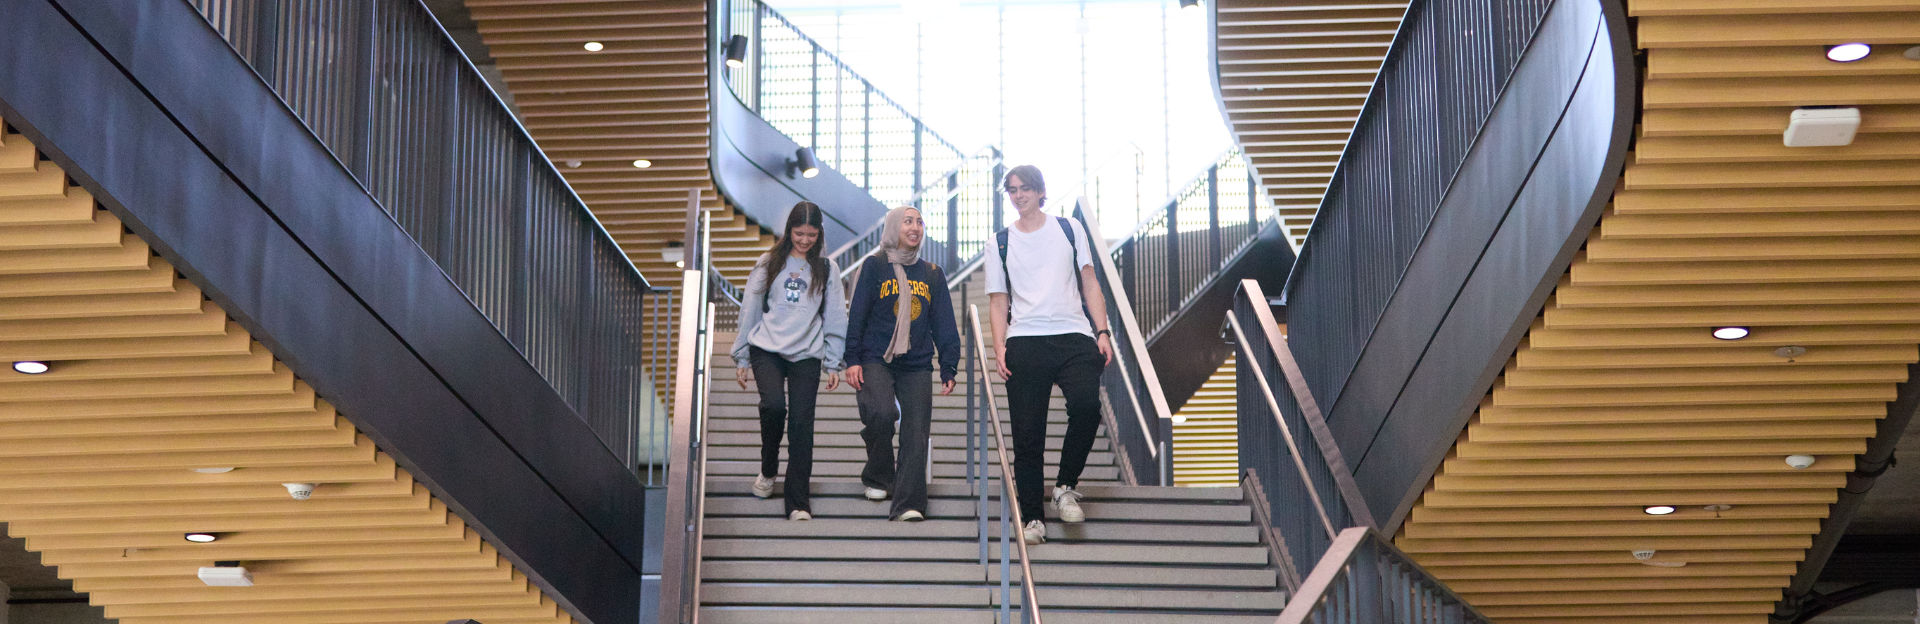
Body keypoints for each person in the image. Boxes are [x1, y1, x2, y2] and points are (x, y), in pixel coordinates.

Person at [984, 165, 1113, 545]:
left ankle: (1065, 487)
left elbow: (1090, 283)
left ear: (1041, 192)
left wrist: (1102, 331)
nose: (1018, 195)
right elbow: (997, 302)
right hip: (1025, 337)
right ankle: (1032, 518)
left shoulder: (1070, 229)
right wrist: (999, 347)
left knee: (1088, 407)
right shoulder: (1000, 242)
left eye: (1025, 189)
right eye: (1012, 190)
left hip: (1074, 334)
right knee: (1028, 434)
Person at [843, 205, 961, 522]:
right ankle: (879, 475)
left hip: (917, 362)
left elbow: (944, 323)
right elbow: (857, 315)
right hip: (875, 357)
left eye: (920, 222)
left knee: (916, 431)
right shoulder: (874, 266)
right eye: (908, 221)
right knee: (883, 413)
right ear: (894, 227)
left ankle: (909, 503)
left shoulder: (932, 273)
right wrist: (851, 359)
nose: (915, 227)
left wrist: (949, 365)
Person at [731, 201, 847, 522]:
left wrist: (834, 361)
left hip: (806, 353)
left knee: (801, 425)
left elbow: (836, 317)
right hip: (766, 348)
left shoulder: (827, 269)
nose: (805, 240)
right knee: (773, 407)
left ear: (819, 233)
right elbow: (750, 310)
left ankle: (798, 503)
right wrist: (741, 356)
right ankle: (768, 470)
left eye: (811, 234)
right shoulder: (769, 262)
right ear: (789, 230)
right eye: (799, 233)